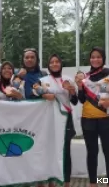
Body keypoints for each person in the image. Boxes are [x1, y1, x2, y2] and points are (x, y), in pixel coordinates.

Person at [75, 47, 109, 187]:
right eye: (93, 57)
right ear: (89, 59)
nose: (95, 59)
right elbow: (82, 100)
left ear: (103, 59)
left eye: (98, 57)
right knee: (92, 153)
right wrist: (79, 87)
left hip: (107, 119)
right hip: (88, 119)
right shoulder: (85, 77)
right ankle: (92, 184)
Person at [40, 54, 78, 187]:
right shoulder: (43, 80)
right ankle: (51, 182)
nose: (55, 64)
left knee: (65, 152)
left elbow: (74, 101)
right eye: (52, 62)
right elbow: (39, 99)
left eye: (57, 62)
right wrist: (43, 94)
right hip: (49, 120)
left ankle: (66, 182)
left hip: (65, 118)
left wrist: (72, 92)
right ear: (48, 65)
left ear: (61, 64)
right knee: (50, 150)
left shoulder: (68, 79)